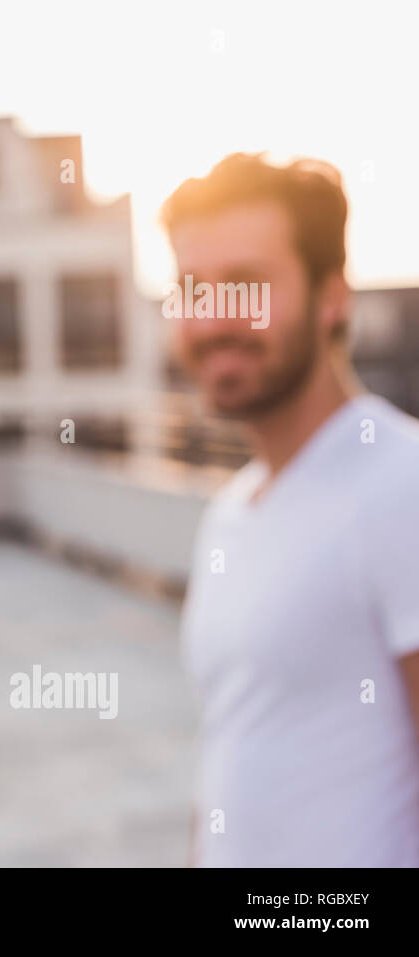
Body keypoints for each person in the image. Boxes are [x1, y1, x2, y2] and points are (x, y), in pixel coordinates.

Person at [162, 152, 419, 866]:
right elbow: (230, 758)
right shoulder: (233, 510)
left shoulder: (404, 484)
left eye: (245, 285)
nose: (214, 319)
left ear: (333, 296)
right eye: (192, 289)